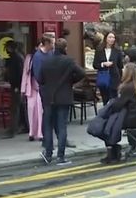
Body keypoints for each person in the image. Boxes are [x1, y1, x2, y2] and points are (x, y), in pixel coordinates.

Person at [37, 38, 85, 166]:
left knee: (47, 125)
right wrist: (71, 81)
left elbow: (40, 79)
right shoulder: (69, 61)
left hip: (48, 98)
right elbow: (82, 73)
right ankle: (60, 156)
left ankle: (48, 154)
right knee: (62, 126)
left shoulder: (46, 61)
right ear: (65, 48)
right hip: (63, 97)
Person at [99, 63, 136, 164]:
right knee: (110, 124)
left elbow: (118, 105)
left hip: (131, 119)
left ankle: (113, 152)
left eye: (124, 69)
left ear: (128, 73)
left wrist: (111, 105)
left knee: (107, 126)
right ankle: (114, 150)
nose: (122, 71)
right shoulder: (135, 85)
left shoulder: (127, 87)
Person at [93, 32, 124, 105]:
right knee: (105, 98)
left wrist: (120, 79)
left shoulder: (117, 51)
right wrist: (103, 64)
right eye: (110, 37)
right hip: (103, 77)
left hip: (114, 77)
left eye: (113, 37)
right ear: (106, 39)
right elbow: (95, 65)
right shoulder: (99, 50)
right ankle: (106, 113)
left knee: (114, 98)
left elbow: (120, 65)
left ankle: (113, 115)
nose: (112, 39)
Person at [21, 44, 44, 142]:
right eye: (40, 45)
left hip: (42, 86)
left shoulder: (45, 56)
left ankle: (40, 133)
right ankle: (31, 132)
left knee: (40, 110)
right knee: (31, 109)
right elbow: (25, 73)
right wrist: (23, 89)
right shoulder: (29, 58)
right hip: (31, 86)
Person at [2, 41, 25, 139]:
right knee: (20, 107)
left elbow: (19, 74)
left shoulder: (16, 58)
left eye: (7, 48)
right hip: (16, 85)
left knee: (15, 108)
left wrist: (16, 86)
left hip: (16, 86)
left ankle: (12, 130)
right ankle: (24, 126)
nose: (6, 50)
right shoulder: (15, 58)